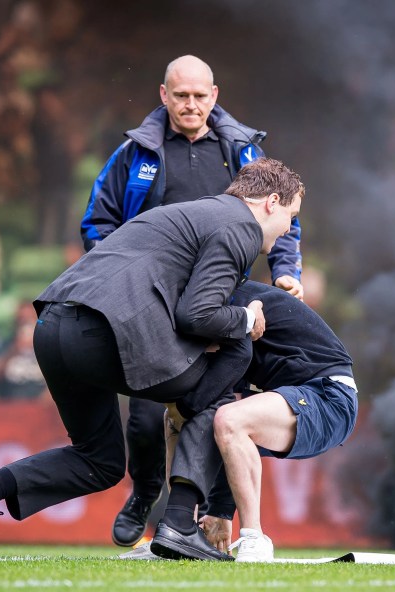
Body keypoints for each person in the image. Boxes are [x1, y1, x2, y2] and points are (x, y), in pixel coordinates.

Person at [0, 157, 303, 558]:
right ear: (272, 201)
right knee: (223, 381)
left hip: (53, 326)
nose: (289, 229)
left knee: (99, 461)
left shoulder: (193, 212)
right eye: (291, 216)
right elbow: (198, 314)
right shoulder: (240, 227)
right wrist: (245, 317)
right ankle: (182, 523)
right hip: (103, 331)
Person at [81, 54, 304, 548]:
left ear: (215, 96)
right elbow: (98, 223)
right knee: (144, 411)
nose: (191, 104)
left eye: (200, 96)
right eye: (181, 95)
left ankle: (217, 516)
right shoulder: (135, 154)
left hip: (225, 297)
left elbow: (281, 212)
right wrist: (117, 279)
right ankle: (146, 493)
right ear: (164, 96)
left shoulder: (244, 152)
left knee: (231, 406)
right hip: (152, 300)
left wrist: (286, 272)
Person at [143, 280, 357, 562]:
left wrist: (185, 406)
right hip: (295, 397)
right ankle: (180, 533)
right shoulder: (202, 305)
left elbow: (226, 416)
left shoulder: (213, 305)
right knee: (177, 418)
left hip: (330, 397)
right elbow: (214, 419)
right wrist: (219, 512)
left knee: (227, 419)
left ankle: (255, 538)